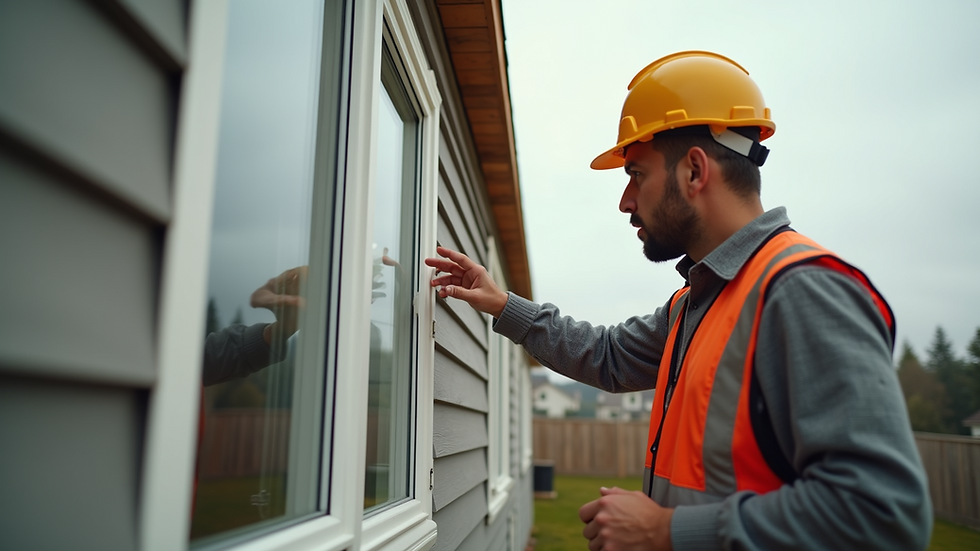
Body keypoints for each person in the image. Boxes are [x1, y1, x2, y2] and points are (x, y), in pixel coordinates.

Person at [425, 51, 931, 551]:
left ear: (694, 172)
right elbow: (608, 355)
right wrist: (502, 304)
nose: (625, 200)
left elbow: (881, 511)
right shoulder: (697, 301)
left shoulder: (801, 290)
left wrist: (664, 531)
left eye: (637, 174)